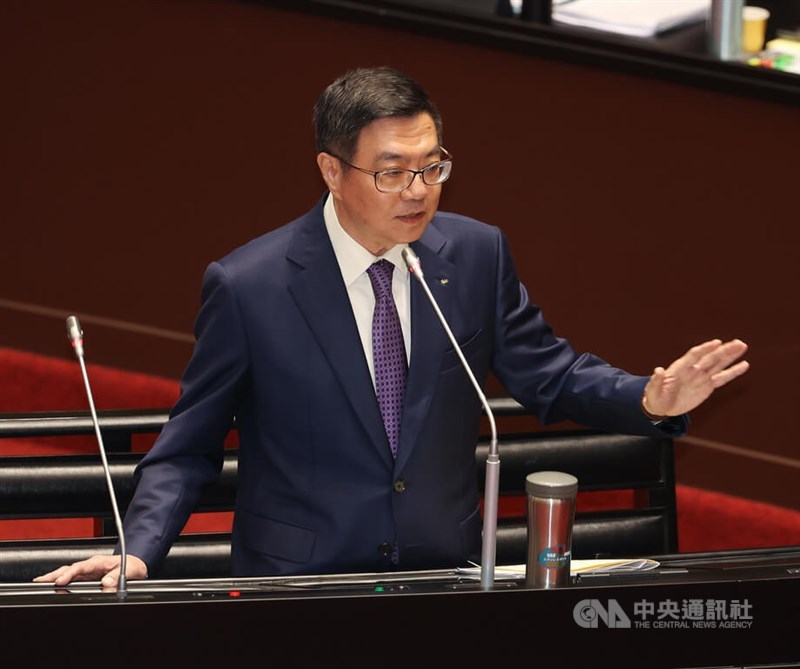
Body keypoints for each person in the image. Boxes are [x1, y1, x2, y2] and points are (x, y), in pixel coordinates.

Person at [35, 66, 749, 589]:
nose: (419, 190)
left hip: (443, 574)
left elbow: (547, 373)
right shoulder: (250, 287)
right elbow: (187, 446)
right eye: (393, 172)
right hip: (299, 588)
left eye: (433, 165)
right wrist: (139, 547)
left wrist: (650, 398)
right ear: (330, 170)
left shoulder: (473, 255)